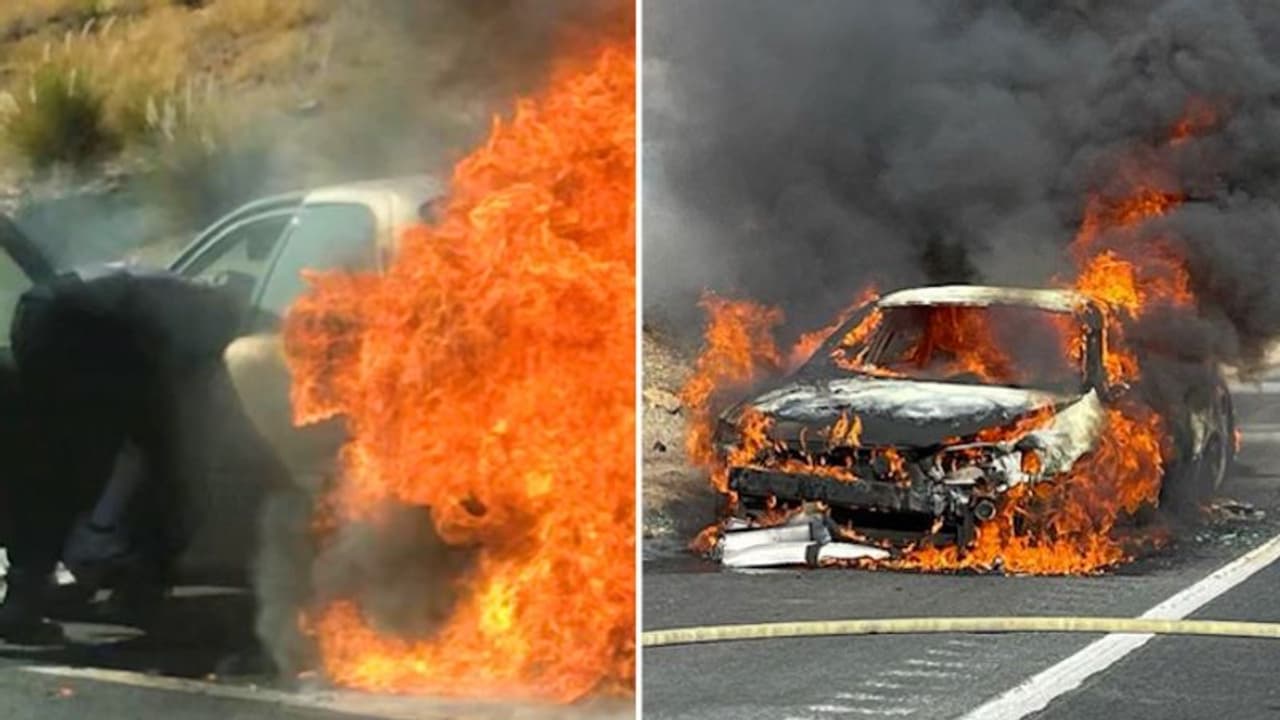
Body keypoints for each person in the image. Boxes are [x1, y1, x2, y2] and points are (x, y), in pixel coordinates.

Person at [0, 266, 241, 641]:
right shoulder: (211, 321)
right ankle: (128, 589)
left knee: (53, 462)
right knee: (163, 463)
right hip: (81, 328)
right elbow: (176, 402)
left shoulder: (171, 289)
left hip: (36, 314)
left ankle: (34, 593)